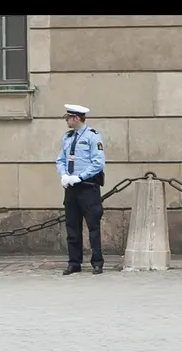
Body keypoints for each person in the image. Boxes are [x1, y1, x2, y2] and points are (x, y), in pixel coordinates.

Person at [56, 103, 105, 276]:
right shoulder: (67, 137)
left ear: (76, 118)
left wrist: (80, 177)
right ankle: (74, 262)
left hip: (88, 187)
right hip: (71, 188)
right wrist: (64, 175)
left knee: (93, 226)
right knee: (72, 226)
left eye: (68, 118)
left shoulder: (93, 136)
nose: (67, 121)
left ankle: (97, 262)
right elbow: (60, 159)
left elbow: (98, 163)